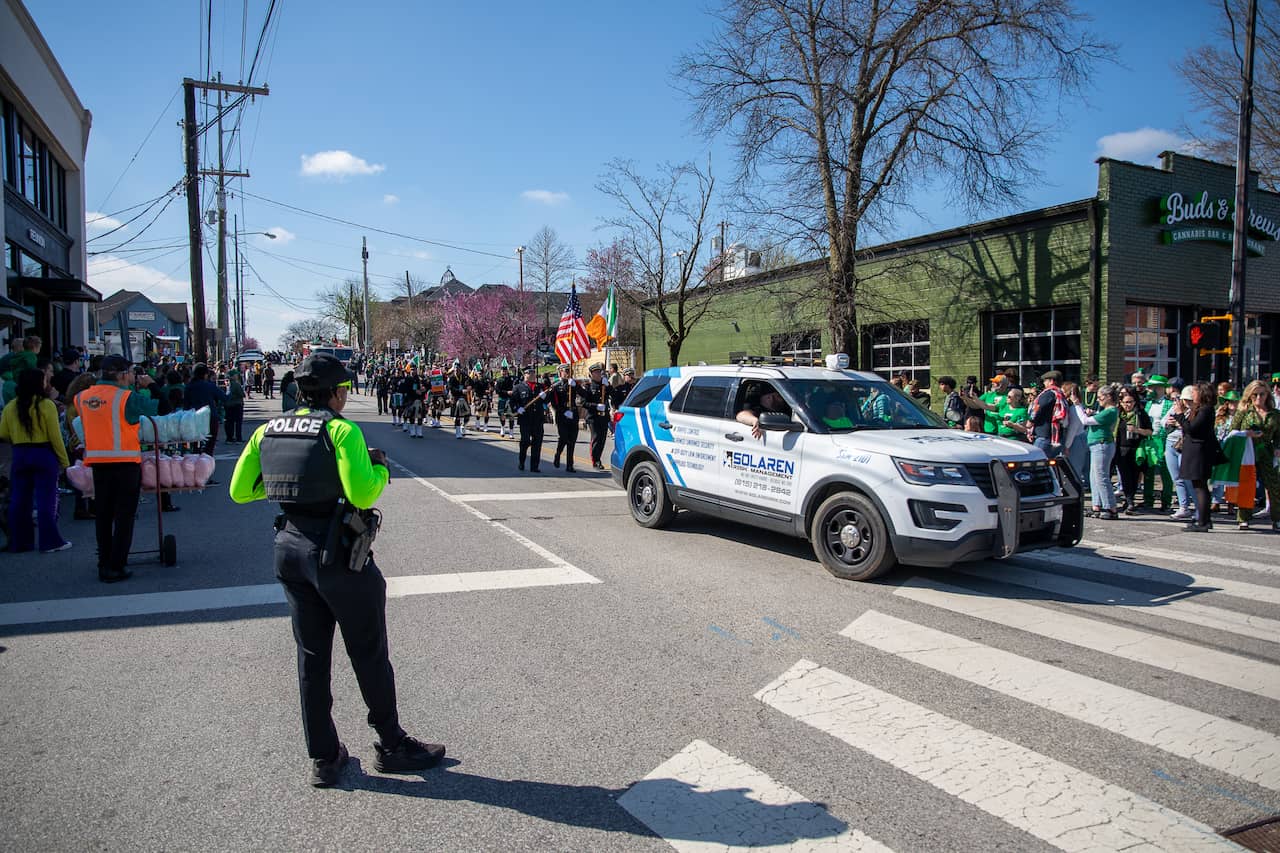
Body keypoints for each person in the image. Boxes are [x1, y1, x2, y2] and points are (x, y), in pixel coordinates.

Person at [229, 352, 445, 787]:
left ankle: (324, 757)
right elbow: (363, 494)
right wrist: (381, 468)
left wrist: (288, 491)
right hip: (338, 552)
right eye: (344, 389)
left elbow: (240, 491)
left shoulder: (267, 430)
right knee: (368, 651)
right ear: (335, 393)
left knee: (311, 658)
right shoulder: (340, 430)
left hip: (288, 547)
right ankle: (391, 743)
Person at [76, 355, 157, 582]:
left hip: (97, 465)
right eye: (131, 372)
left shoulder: (82, 397)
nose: (132, 377)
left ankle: (104, 563)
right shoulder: (126, 398)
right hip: (126, 464)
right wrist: (152, 386)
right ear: (121, 374)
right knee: (124, 516)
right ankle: (117, 564)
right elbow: (158, 407)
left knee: (102, 515)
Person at [0, 367, 71, 552]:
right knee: (46, 499)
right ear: (40, 383)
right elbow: (55, 437)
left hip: (20, 453)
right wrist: (64, 461)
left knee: (19, 499)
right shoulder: (47, 405)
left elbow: (3, 433)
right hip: (43, 453)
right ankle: (50, 541)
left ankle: (20, 542)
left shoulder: (10, 407)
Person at [1230, 379, 1280, 531]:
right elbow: (1232, 431)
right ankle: (1244, 518)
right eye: (1255, 395)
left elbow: (1278, 435)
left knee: (1274, 485)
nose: (1258, 398)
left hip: (1266, 451)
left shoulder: (1275, 414)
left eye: (1262, 394)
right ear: (1249, 396)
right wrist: (1247, 433)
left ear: (1267, 395)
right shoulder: (1244, 412)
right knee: (1246, 484)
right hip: (1248, 450)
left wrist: (1278, 447)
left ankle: (1277, 518)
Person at [1171, 382, 1218, 532]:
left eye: (1195, 392)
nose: (1193, 395)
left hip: (1199, 451)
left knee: (1200, 486)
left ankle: (1203, 522)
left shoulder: (1205, 410)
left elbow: (1191, 429)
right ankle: (1205, 520)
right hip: (1196, 450)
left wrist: (1179, 415)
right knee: (1199, 486)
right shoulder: (1201, 409)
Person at [1079, 384, 1119, 520]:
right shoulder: (1104, 411)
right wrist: (1093, 413)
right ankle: (1097, 505)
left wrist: (1078, 405)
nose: (1098, 400)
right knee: (1094, 477)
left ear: (1108, 397)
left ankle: (1110, 507)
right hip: (1096, 445)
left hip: (1102, 444)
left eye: (1101, 397)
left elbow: (1085, 420)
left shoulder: (1111, 411)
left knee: (1102, 477)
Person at [1113, 385, 1153, 515]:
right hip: (1121, 449)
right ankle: (1129, 500)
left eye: (1130, 402)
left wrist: (1137, 430)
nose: (1128, 405)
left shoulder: (1140, 414)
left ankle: (1130, 500)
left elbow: (1149, 432)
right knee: (1124, 476)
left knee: (1134, 476)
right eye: (1125, 402)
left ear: (1135, 402)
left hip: (1136, 449)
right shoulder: (1118, 415)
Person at [184, 363, 228, 457]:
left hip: (194, 419)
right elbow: (224, 398)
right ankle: (206, 464)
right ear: (205, 374)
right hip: (210, 418)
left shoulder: (188, 387)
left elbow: (186, 405)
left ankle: (195, 462)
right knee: (209, 446)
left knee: (195, 445)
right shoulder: (209, 385)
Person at [548, 365, 585, 471]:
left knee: (572, 440)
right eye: (565, 371)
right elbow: (554, 403)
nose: (568, 373)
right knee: (563, 437)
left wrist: (576, 386)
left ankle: (570, 464)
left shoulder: (574, 384)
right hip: (562, 414)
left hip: (573, 414)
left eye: (569, 371)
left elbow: (584, 394)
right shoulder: (556, 386)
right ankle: (558, 454)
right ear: (560, 372)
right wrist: (563, 412)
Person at [512, 366, 548, 472]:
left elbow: (549, 398)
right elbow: (513, 401)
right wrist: (517, 408)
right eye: (529, 374)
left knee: (537, 443)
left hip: (538, 419)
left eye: (533, 374)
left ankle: (534, 466)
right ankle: (521, 461)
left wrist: (545, 396)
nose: (532, 376)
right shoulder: (518, 387)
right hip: (525, 419)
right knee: (525, 441)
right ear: (525, 375)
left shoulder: (540, 387)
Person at [1027, 370, 1068, 457]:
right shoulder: (1061, 394)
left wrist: (1031, 420)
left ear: (1051, 381)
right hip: (1056, 436)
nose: (1044, 383)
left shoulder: (1049, 394)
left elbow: (1038, 408)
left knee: (1036, 460)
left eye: (1045, 381)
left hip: (1044, 436)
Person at [584, 363, 612, 469]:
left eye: (599, 372)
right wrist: (596, 406)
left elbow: (613, 394)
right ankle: (595, 460)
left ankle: (598, 458)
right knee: (596, 438)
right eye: (595, 372)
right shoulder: (588, 386)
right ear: (591, 374)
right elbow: (583, 403)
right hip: (593, 417)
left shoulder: (604, 385)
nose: (598, 374)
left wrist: (608, 386)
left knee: (602, 439)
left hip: (604, 416)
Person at [495, 365, 516, 438]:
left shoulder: (511, 379)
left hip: (510, 399)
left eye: (505, 371)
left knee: (511, 416)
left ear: (507, 371)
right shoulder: (498, 380)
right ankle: (502, 428)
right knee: (502, 415)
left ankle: (511, 431)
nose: (503, 372)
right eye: (502, 371)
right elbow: (497, 391)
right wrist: (507, 392)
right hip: (502, 399)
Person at [225, 372, 246, 443]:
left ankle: (229, 438)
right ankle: (238, 438)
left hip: (228, 405)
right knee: (238, 422)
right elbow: (242, 394)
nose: (237, 376)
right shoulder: (236, 384)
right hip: (237, 404)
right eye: (235, 375)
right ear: (233, 376)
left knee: (229, 422)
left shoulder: (227, 383)